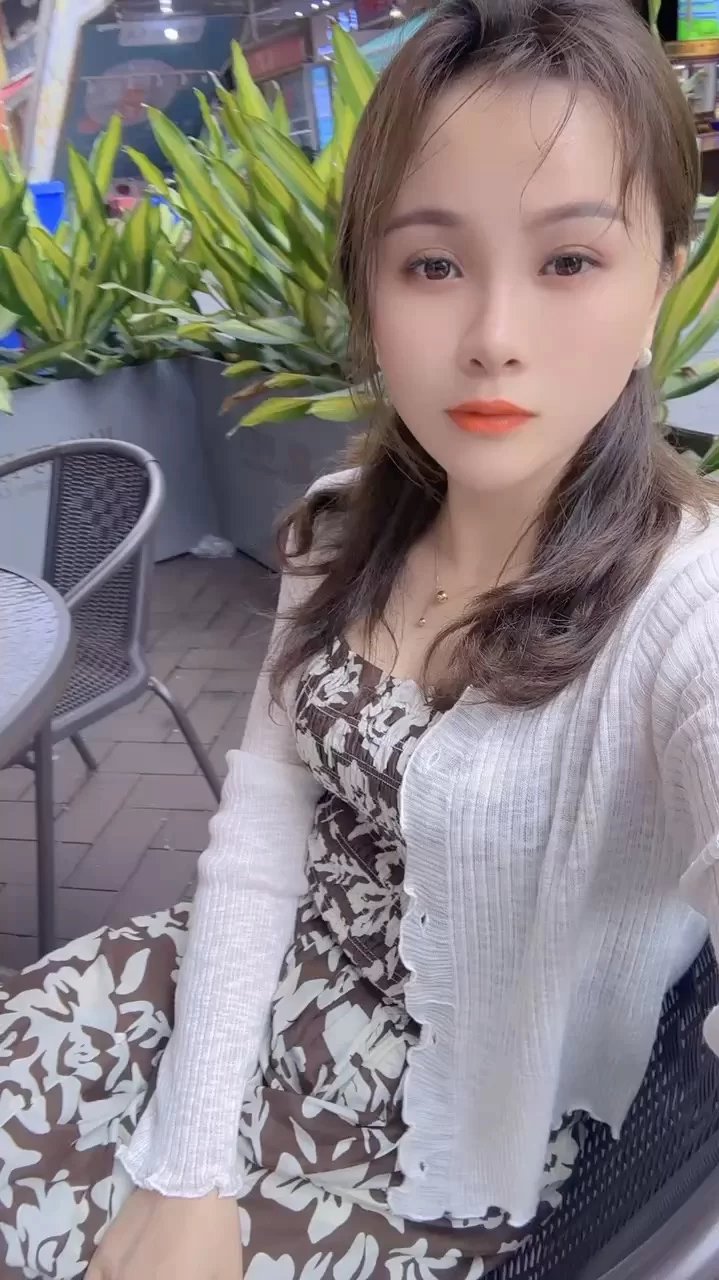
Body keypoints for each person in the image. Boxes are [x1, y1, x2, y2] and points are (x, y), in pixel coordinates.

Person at [3, 0, 719, 1275]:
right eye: (431, 265)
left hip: (430, 1140)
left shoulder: (678, 606)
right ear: (368, 288)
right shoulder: (340, 529)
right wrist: (186, 1166)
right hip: (224, 1002)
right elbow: (258, 840)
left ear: (661, 272)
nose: (491, 336)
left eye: (568, 260)